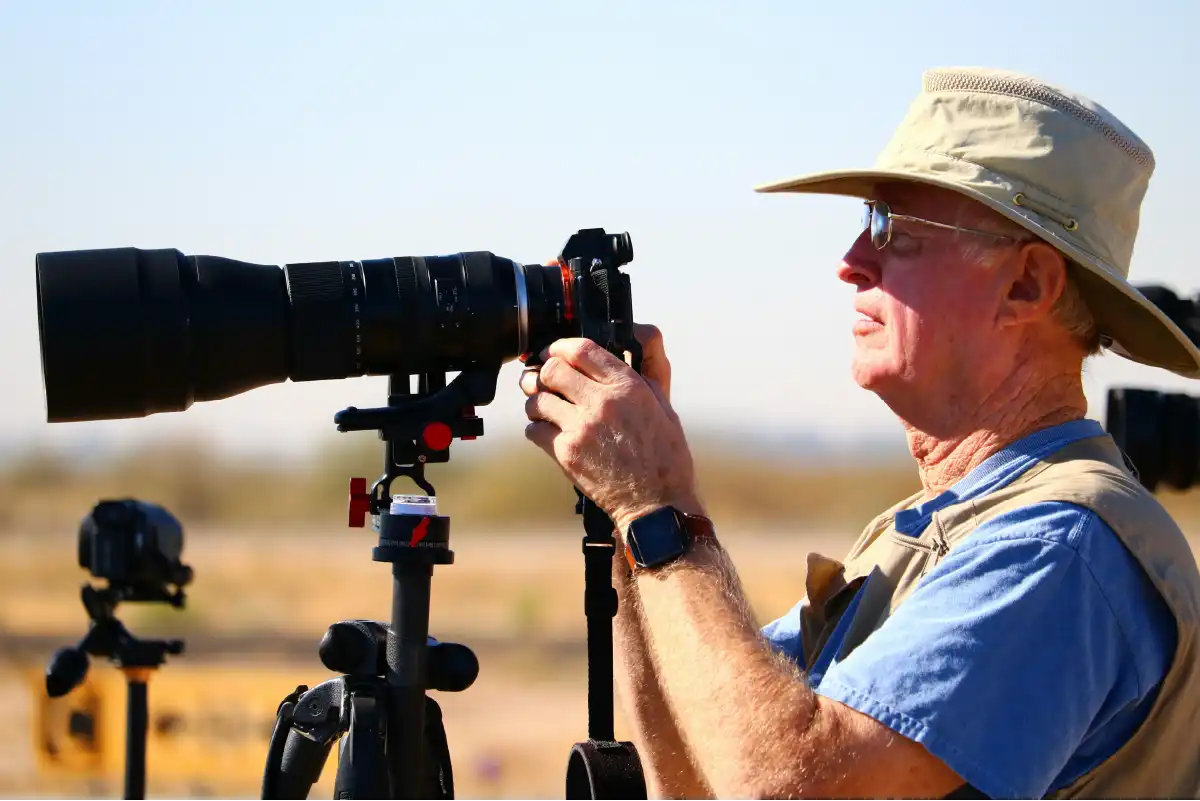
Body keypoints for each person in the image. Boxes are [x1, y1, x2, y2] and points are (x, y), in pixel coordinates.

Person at [519, 66, 1200, 799]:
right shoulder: (947, 526)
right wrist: (629, 523)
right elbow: (697, 772)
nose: (851, 262)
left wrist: (656, 504)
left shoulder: (1059, 544)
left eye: (894, 229)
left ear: (1026, 286)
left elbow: (791, 782)